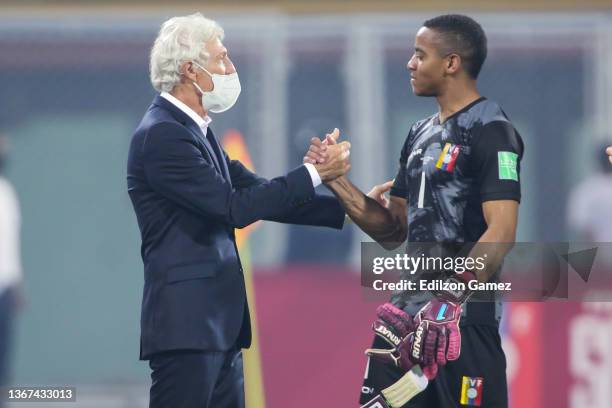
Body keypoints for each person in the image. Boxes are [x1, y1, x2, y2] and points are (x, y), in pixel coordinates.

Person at [127, 13, 351, 408]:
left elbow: (258, 191)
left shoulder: (197, 131)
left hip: (219, 327)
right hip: (188, 328)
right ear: (188, 70)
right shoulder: (163, 135)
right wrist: (313, 172)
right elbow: (235, 208)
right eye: (221, 59)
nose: (231, 68)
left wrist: (349, 205)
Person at [306, 14, 522, 408]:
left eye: (420, 55)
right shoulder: (418, 133)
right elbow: (392, 231)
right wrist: (336, 180)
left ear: (452, 63)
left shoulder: (492, 129)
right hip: (402, 322)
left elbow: (502, 231)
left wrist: (449, 299)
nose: (410, 63)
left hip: (461, 324)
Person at [0, 135, 23, 408]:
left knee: (4, 358)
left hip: (5, 288)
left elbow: (9, 243)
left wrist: (16, 284)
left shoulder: (7, 192)